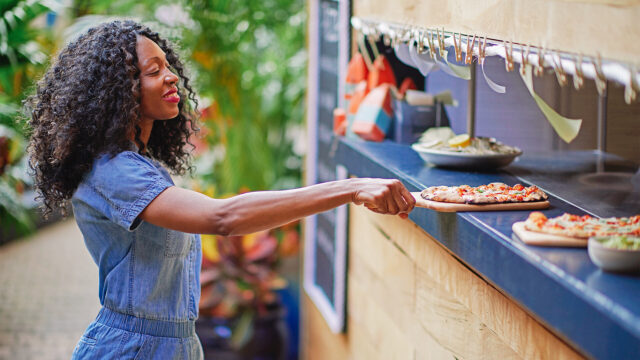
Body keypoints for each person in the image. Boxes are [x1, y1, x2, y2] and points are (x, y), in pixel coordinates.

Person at [26, 20, 415, 359]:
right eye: (153, 70)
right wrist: (349, 188)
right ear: (119, 89)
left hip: (174, 346)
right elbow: (222, 218)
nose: (172, 76)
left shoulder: (144, 165)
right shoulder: (114, 171)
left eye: (168, 65)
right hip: (130, 349)